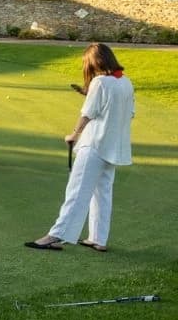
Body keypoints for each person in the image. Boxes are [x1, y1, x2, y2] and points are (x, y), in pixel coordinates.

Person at [27, 43, 134, 253]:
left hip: (94, 144)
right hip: (112, 147)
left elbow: (87, 114)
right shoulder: (126, 82)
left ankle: (56, 235)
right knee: (102, 193)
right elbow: (128, 112)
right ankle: (98, 239)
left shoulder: (99, 82)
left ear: (95, 62)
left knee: (76, 191)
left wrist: (74, 135)